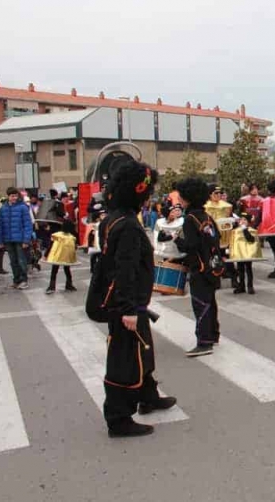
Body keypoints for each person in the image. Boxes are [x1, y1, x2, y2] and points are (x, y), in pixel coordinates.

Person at [100, 160, 177, 438]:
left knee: (143, 351)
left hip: (129, 302)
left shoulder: (113, 219)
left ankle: (149, 396)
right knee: (125, 360)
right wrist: (129, 308)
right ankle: (118, 418)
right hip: (126, 305)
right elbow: (125, 270)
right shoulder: (128, 226)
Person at [174, 178, 222, 357]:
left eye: (181, 196)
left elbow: (190, 245)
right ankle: (213, 335)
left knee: (201, 304)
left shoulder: (189, 219)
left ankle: (204, 342)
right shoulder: (207, 217)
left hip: (200, 268)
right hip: (213, 266)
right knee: (211, 302)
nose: (179, 200)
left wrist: (176, 240)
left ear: (188, 198)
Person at [0, 187, 33, 290]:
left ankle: (24, 280)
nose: (14, 198)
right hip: (8, 239)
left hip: (20, 239)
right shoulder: (3, 208)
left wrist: (26, 239)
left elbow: (28, 224)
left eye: (16, 196)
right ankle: (16, 280)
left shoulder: (23, 207)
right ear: (8, 196)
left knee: (21, 260)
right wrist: (0, 241)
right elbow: (1, 226)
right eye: (12, 196)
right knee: (13, 261)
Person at [45, 218, 78, 294]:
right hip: (66, 257)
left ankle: (51, 286)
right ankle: (69, 284)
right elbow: (74, 248)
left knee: (54, 271)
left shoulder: (57, 235)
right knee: (67, 270)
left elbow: (51, 245)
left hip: (56, 256)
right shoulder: (72, 237)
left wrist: (46, 255)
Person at [231, 213, 257, 295]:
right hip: (239, 253)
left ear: (248, 222)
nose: (242, 221)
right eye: (241, 219)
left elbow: (251, 239)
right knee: (240, 270)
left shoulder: (251, 230)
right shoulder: (235, 230)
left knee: (248, 269)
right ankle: (241, 286)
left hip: (248, 253)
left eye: (245, 220)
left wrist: (244, 229)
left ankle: (250, 286)